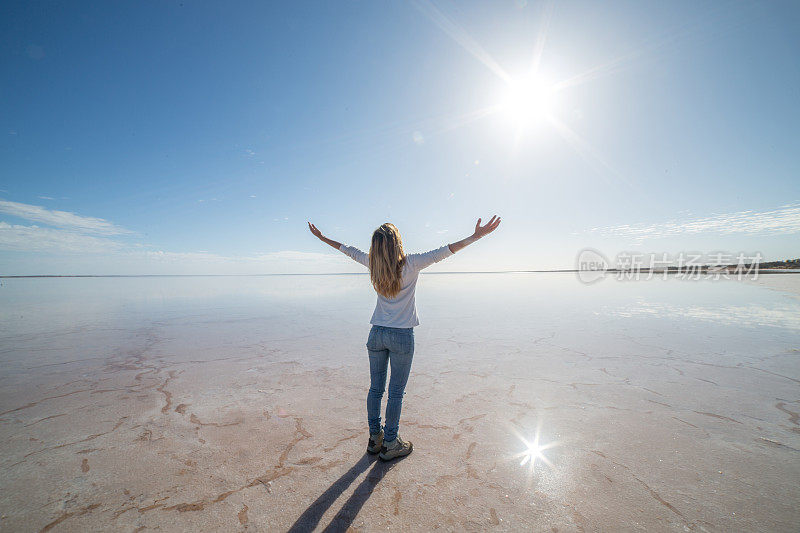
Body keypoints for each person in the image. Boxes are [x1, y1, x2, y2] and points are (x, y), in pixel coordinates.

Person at [307, 216, 501, 460]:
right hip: (401, 337)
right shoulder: (412, 263)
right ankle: (390, 443)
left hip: (376, 333)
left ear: (375, 247)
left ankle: (374, 438)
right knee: (396, 392)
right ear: (398, 242)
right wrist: (476, 237)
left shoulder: (372, 264)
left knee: (376, 390)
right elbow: (446, 251)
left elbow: (347, 250)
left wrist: (322, 238)